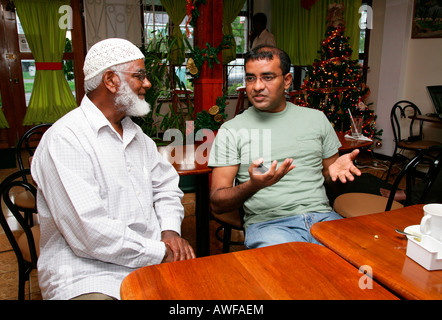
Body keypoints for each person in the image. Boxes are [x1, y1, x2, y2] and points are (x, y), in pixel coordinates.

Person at [31, 38, 195, 300]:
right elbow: (90, 232)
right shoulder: (65, 139)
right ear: (110, 80)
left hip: (149, 257)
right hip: (87, 273)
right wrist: (160, 250)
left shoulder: (136, 134)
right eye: (139, 75)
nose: (147, 83)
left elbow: (165, 187)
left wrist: (170, 232)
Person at [208, 46, 361, 248]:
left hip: (324, 219)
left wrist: (337, 176)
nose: (257, 86)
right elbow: (217, 202)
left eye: (268, 77)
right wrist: (254, 185)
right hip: (270, 226)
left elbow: (332, 182)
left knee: (358, 266)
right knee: (289, 274)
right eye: (251, 78)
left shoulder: (316, 119)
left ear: (287, 80)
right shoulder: (231, 130)